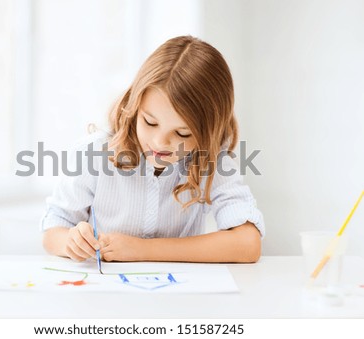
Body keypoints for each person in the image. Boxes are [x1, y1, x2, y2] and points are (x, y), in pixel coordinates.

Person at [41, 36, 264, 263]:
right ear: (135, 106)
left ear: (209, 133)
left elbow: (248, 243)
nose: (159, 143)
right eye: (150, 122)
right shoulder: (95, 153)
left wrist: (142, 249)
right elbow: (53, 231)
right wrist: (71, 241)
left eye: (182, 133)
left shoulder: (211, 161)